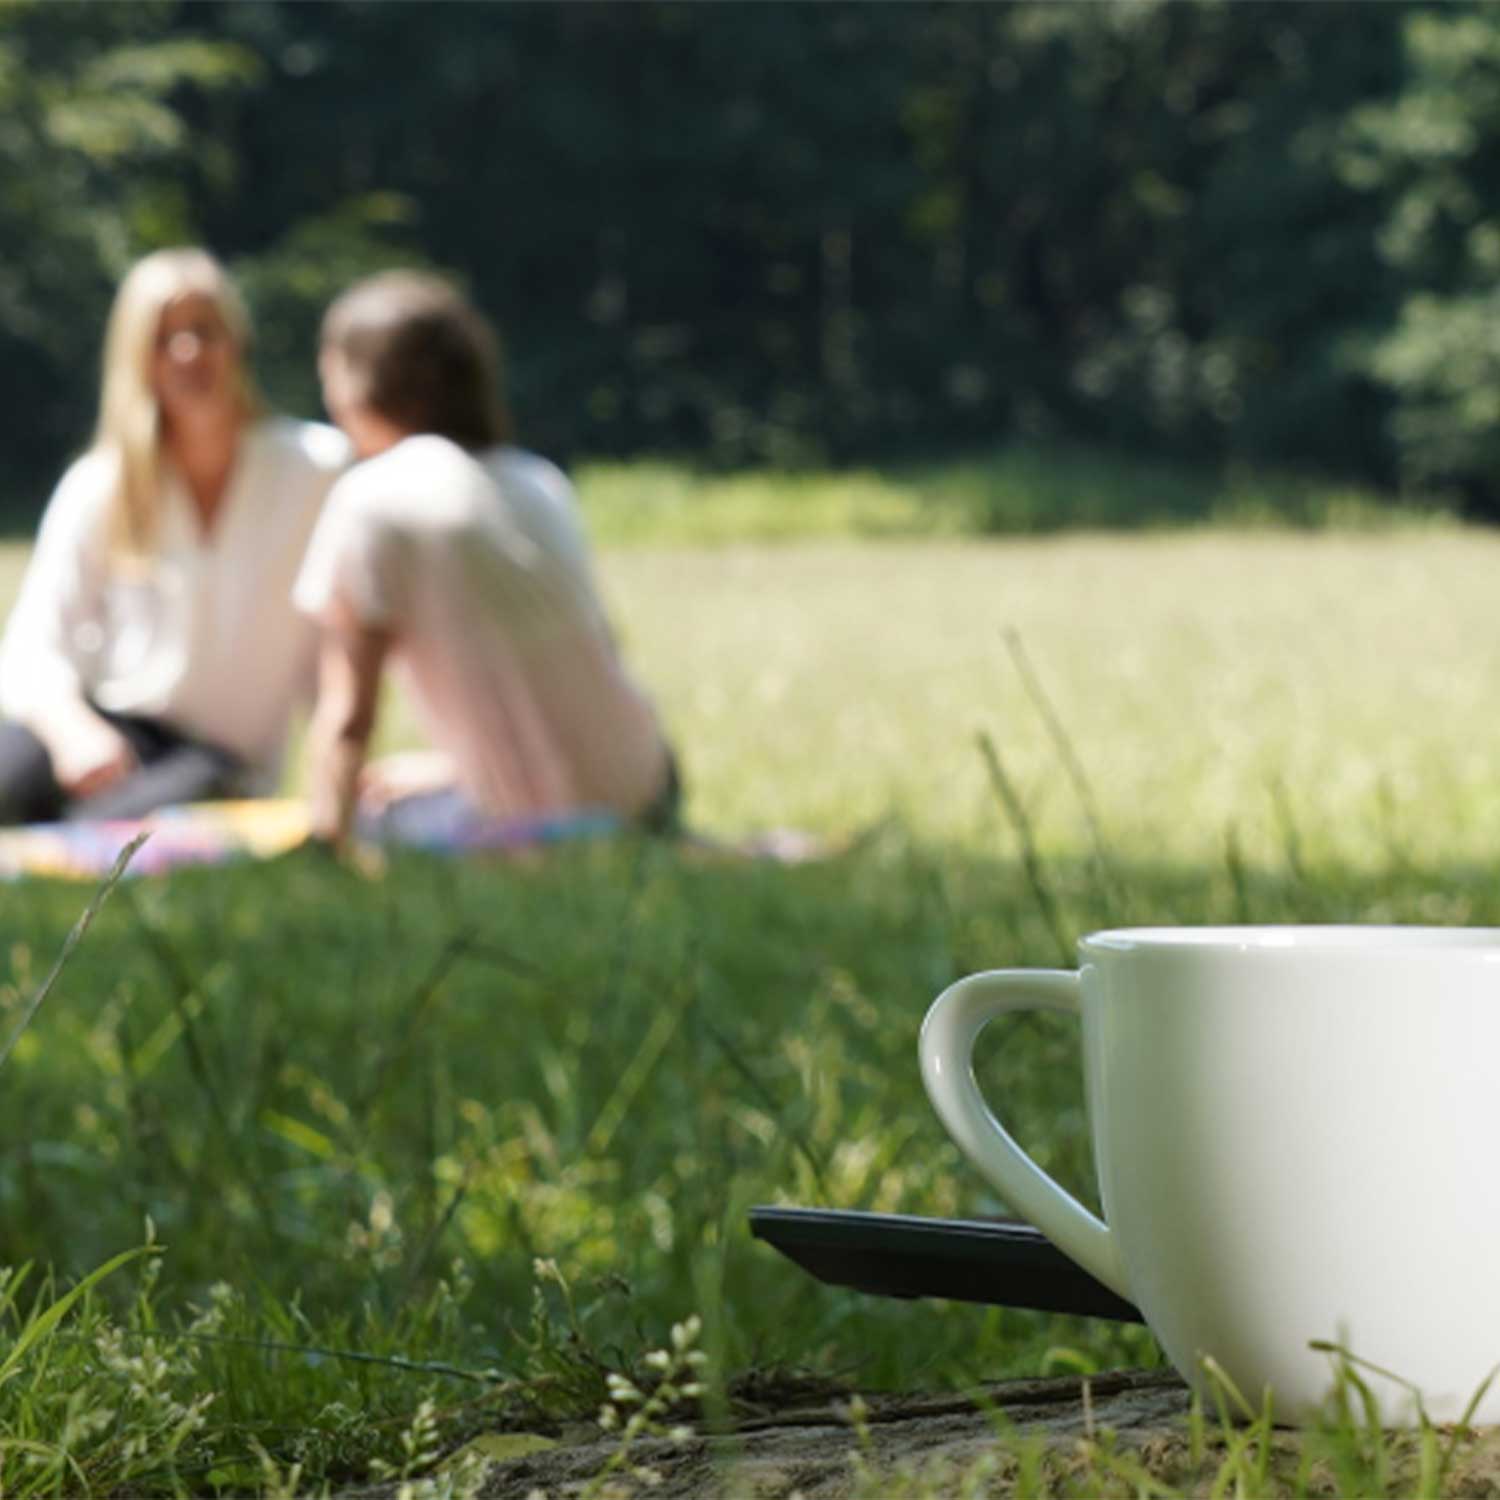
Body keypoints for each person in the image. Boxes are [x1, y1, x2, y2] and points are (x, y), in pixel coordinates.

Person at [293, 271, 677, 852]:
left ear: (355, 380)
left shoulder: (370, 498)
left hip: (530, 828)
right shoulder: (538, 481)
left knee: (377, 817)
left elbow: (349, 715)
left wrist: (326, 842)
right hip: (647, 795)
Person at [0, 247, 349, 823]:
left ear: (237, 342)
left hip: (220, 761)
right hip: (108, 727)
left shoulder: (316, 469)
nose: (188, 353)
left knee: (114, 831)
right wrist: (72, 732)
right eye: (164, 338)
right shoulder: (102, 483)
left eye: (204, 331)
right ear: (136, 358)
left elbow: (343, 642)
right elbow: (35, 644)